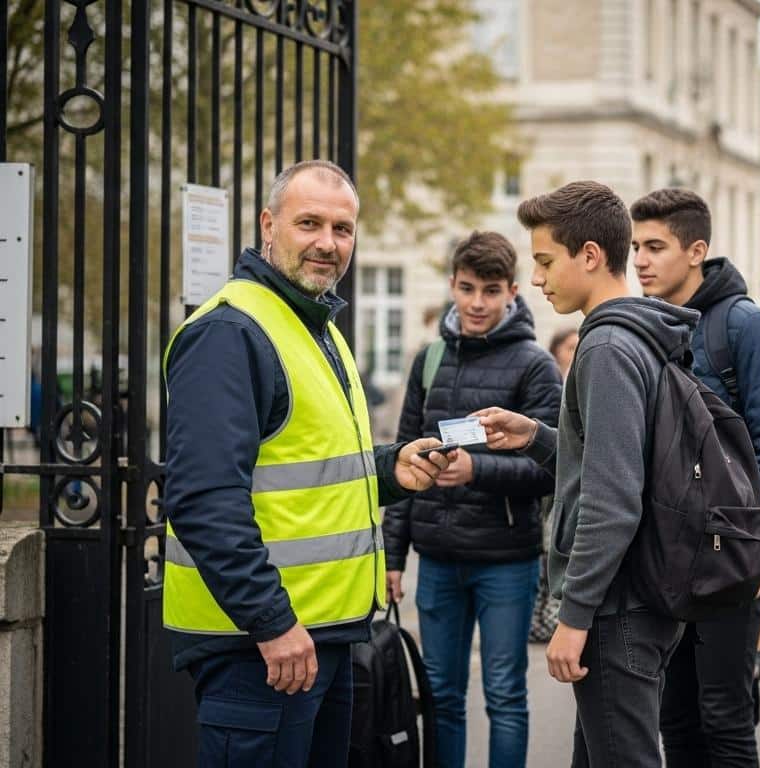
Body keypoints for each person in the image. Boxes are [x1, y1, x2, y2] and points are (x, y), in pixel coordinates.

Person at [162, 160, 452, 767]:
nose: (328, 243)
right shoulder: (231, 331)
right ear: (269, 225)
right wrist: (270, 622)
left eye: (342, 229)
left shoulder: (315, 325)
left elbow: (309, 467)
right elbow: (202, 499)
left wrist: (390, 469)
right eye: (309, 223)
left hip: (322, 639)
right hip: (262, 648)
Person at [476, 180, 698, 767]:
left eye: (546, 262)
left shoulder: (606, 347)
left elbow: (613, 497)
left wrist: (573, 617)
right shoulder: (641, 333)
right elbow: (614, 462)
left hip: (615, 606)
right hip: (634, 596)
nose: (538, 280)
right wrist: (538, 437)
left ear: (591, 256)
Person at [630, 188, 760, 768]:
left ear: (696, 251)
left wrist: (759, 553)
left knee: (726, 719)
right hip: (667, 559)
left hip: (730, 558)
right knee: (675, 719)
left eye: (655, 246)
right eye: (636, 246)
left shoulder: (744, 325)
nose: (641, 260)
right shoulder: (651, 326)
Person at [383, 231, 562, 768]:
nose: (478, 303)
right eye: (467, 288)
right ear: (451, 286)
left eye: (490, 290)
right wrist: (394, 556)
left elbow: (550, 468)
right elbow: (401, 461)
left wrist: (475, 470)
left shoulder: (535, 365)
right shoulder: (430, 359)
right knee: (440, 696)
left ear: (512, 291)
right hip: (436, 558)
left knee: (505, 693)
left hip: (506, 561)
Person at [529, 326, 580, 644]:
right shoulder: (551, 386)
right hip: (549, 493)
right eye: (569, 347)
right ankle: (543, 619)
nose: (575, 353)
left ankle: (553, 618)